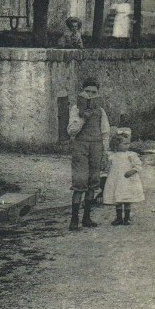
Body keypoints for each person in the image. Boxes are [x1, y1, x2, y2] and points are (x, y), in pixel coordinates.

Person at [67, 77, 111, 230]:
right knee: (80, 182)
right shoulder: (75, 109)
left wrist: (105, 152)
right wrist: (82, 119)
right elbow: (71, 131)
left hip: (96, 147)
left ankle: (86, 218)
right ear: (82, 92)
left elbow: (105, 132)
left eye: (94, 92)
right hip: (81, 147)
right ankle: (74, 220)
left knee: (93, 182)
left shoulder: (101, 111)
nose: (90, 95)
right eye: (87, 92)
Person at [103, 128, 145, 226]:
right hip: (116, 180)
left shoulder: (131, 155)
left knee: (127, 199)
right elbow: (106, 167)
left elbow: (138, 165)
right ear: (116, 145)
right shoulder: (112, 155)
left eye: (128, 143)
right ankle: (118, 218)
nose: (127, 146)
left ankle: (126, 218)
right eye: (124, 144)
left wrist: (132, 171)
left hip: (126, 180)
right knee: (118, 199)